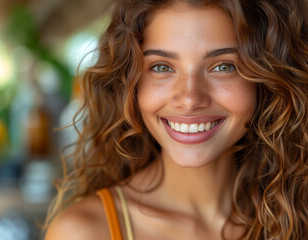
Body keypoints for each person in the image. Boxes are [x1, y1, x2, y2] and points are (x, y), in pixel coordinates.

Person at [45, 0, 308, 239]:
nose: (190, 98)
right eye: (162, 67)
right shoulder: (84, 232)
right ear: (129, 83)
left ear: (268, 80)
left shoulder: (297, 213)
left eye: (224, 66)